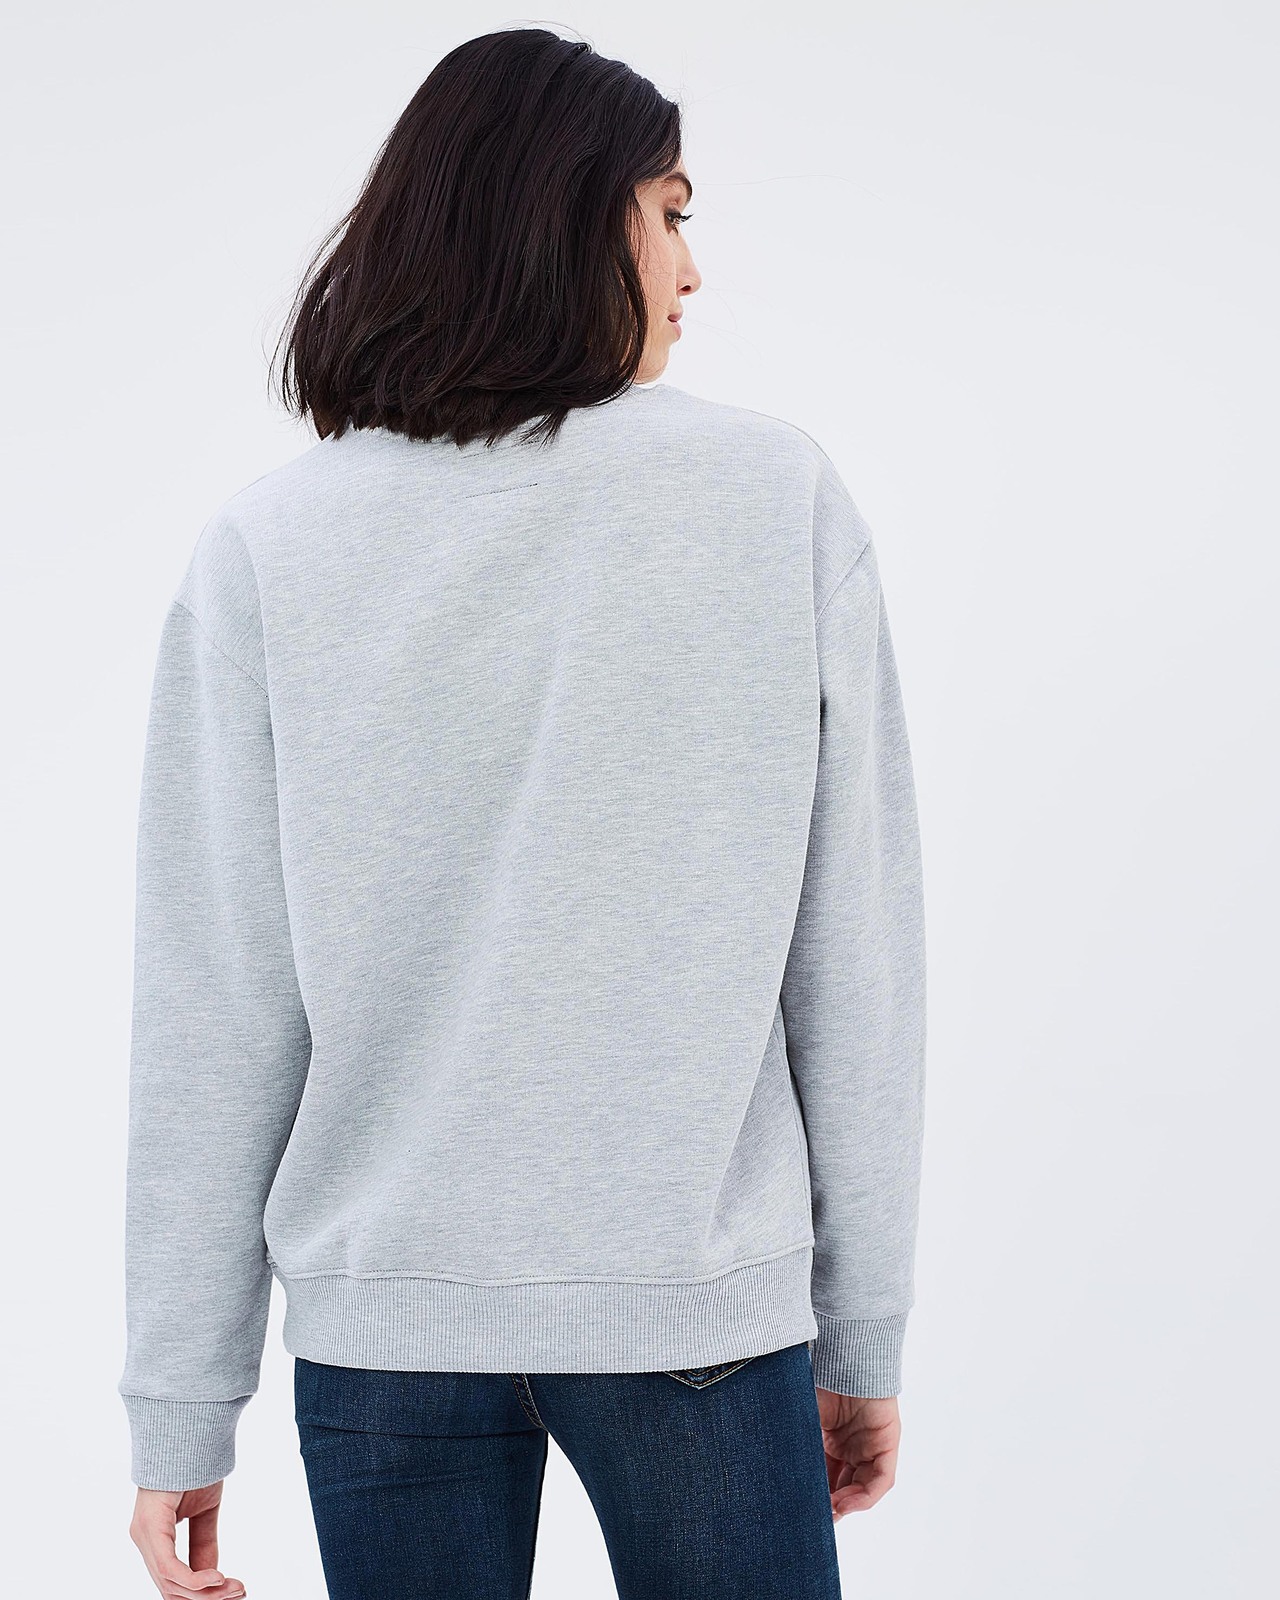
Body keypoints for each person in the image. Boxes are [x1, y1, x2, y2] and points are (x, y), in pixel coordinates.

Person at [119, 27, 927, 1600]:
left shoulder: (275, 543)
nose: (692, 267)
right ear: (567, 214)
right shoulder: (772, 499)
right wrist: (863, 1327)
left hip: (385, 1328)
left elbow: (212, 1011)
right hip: (696, 1314)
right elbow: (857, 962)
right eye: (669, 212)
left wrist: (181, 1408)